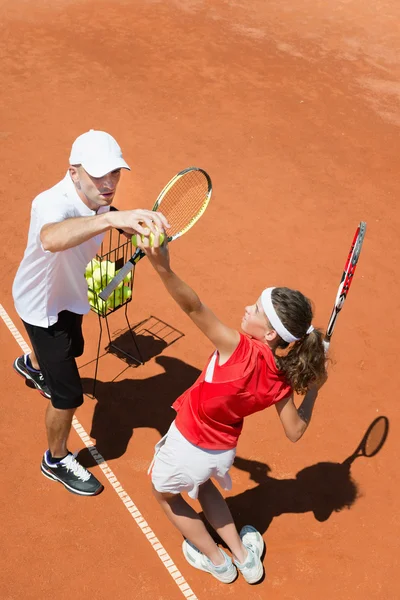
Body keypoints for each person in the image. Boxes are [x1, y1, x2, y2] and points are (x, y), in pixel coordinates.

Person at [138, 232, 327, 585]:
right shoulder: (282, 379)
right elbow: (295, 431)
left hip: (187, 444)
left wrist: (162, 266)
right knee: (204, 486)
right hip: (221, 451)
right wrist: (313, 391)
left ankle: (217, 562)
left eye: (255, 310)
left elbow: (193, 307)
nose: (247, 309)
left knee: (165, 496)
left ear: (270, 334)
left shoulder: (237, 348)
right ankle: (244, 557)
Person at [12, 129, 169, 497]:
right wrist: (111, 220)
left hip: (68, 298)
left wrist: (140, 229)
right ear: (73, 172)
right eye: (99, 174)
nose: (109, 182)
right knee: (67, 396)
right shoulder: (51, 202)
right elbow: (51, 238)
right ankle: (55, 458)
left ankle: (33, 366)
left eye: (115, 173)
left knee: (76, 351)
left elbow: (109, 217)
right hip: (42, 308)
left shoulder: (98, 198)